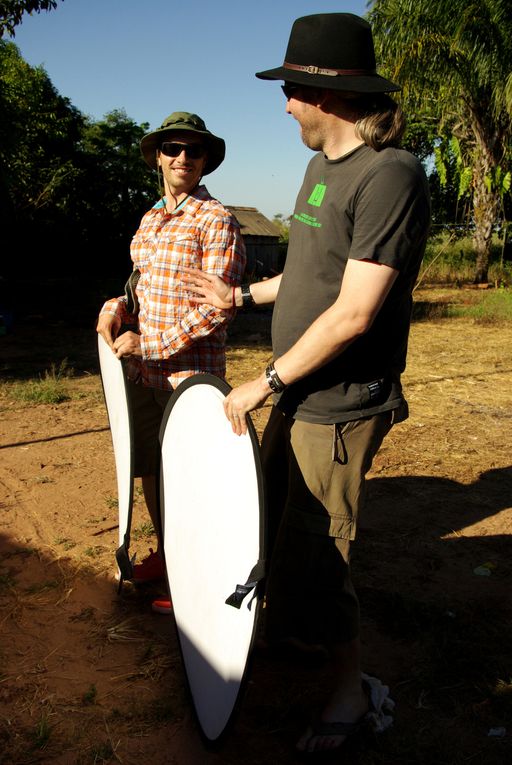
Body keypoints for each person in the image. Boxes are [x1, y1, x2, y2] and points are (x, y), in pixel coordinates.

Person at [183, 13, 430, 756]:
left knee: (326, 551)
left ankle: (352, 691)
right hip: (297, 389)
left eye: (292, 89)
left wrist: (266, 379)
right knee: (279, 529)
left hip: (340, 402)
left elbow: (355, 313)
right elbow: (315, 275)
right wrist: (244, 297)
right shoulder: (322, 169)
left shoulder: (392, 175)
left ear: (327, 92)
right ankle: (298, 638)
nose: (284, 103)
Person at [97, 112, 246, 613]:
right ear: (158, 157)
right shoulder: (152, 216)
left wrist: (150, 344)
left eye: (194, 151)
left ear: (206, 162)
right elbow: (139, 281)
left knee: (189, 476)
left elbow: (214, 312)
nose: (183, 158)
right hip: (147, 374)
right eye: (173, 149)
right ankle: (168, 558)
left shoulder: (216, 220)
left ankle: (194, 581)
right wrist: (118, 306)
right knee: (153, 471)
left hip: (189, 376)